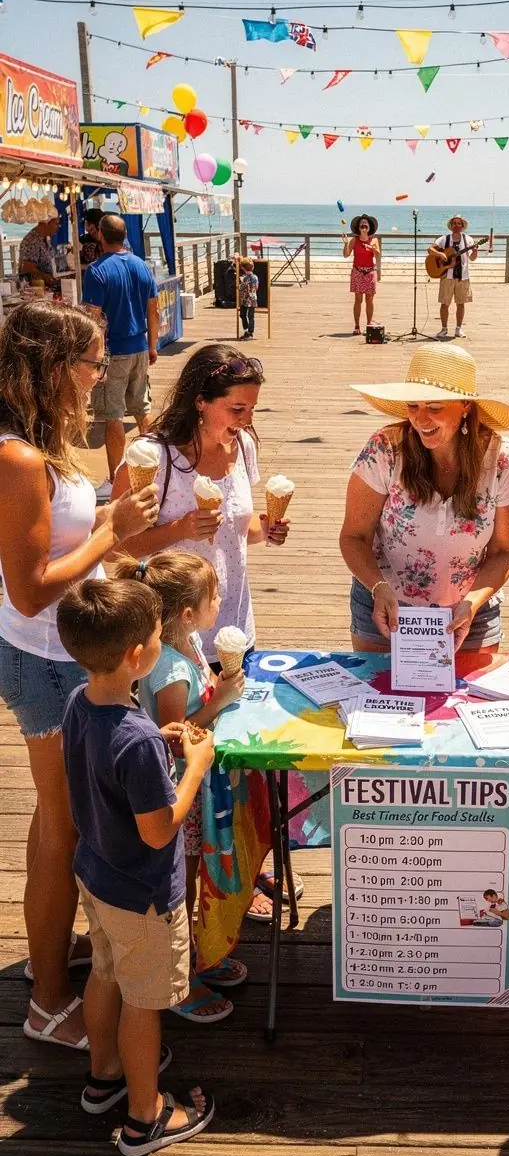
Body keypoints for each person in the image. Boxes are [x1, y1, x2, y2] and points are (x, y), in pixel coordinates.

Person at [0, 302, 159, 1051]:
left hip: (52, 648)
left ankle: (51, 958)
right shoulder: (18, 457)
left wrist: (107, 523)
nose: (102, 377)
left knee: (55, 821)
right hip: (43, 654)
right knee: (62, 829)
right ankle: (49, 1001)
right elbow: (30, 586)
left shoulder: (38, 446)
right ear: (55, 366)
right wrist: (110, 530)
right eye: (94, 364)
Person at [109, 344, 293, 923]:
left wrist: (270, 530)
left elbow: (241, 534)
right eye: (236, 409)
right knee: (193, 754)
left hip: (234, 625)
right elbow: (118, 546)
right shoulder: (153, 458)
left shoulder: (241, 448)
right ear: (200, 401)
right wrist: (183, 526)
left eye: (251, 409)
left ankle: (239, 864)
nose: (245, 420)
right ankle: (201, 880)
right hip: (176, 638)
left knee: (237, 758)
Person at [56, 577, 215, 1156]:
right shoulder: (138, 740)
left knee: (104, 974)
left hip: (96, 876)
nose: (158, 642)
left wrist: (160, 742)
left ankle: (105, 1076)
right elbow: (159, 828)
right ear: (136, 656)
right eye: (154, 635)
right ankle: (144, 1117)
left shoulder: (81, 701)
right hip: (144, 895)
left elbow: (109, 766)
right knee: (144, 1002)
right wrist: (194, 764)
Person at [115, 551, 248, 1022]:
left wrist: (222, 682)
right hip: (179, 792)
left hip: (198, 784)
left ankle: (198, 953)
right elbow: (176, 737)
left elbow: (206, 686)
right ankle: (180, 979)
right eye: (214, 597)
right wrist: (223, 700)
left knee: (193, 875)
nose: (221, 601)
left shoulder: (188, 641)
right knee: (183, 883)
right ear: (188, 612)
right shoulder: (169, 668)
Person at [340, 343, 509, 653]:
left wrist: (472, 602)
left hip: (470, 612)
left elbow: (503, 551)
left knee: (468, 701)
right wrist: (379, 588)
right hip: (385, 609)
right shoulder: (384, 448)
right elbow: (354, 536)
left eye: (434, 407)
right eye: (413, 406)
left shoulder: (505, 460)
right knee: (375, 697)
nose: (420, 419)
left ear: (466, 407)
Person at [82, 213, 160, 499]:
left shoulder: (97, 270)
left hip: (113, 350)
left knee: (112, 415)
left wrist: (92, 357)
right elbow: (154, 309)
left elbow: (93, 318)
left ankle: (116, 481)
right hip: (139, 346)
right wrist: (152, 345)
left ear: (100, 235)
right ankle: (156, 469)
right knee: (142, 408)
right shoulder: (141, 266)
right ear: (124, 235)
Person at [430, 215, 478, 341]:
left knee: (461, 303)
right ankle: (444, 329)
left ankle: (458, 328)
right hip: (447, 276)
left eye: (459, 223)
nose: (457, 225)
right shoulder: (443, 239)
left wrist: (475, 252)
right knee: (444, 303)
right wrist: (440, 254)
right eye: (454, 223)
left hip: (463, 276)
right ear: (451, 226)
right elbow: (430, 250)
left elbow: (472, 258)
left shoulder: (468, 240)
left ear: (462, 226)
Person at [343, 214, 380, 335]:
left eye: (366, 225)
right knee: (358, 299)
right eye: (362, 225)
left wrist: (373, 248)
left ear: (369, 227)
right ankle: (357, 326)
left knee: (369, 299)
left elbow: (378, 255)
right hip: (357, 271)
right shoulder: (354, 240)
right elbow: (346, 254)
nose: (364, 227)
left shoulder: (374, 240)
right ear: (358, 228)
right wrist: (345, 243)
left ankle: (369, 323)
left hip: (370, 272)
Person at [18, 214, 60, 291]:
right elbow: (26, 267)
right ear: (46, 223)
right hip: (35, 289)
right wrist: (44, 276)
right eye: (56, 223)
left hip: (47, 287)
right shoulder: (32, 240)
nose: (58, 227)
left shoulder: (44, 238)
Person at [238, 257, 259, 341]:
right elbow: (256, 287)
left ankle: (248, 332)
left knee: (244, 315)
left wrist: (240, 285)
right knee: (250, 316)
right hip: (253, 299)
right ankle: (249, 332)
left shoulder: (246, 278)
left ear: (243, 268)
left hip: (246, 299)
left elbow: (241, 288)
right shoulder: (255, 277)